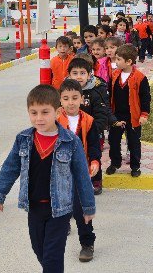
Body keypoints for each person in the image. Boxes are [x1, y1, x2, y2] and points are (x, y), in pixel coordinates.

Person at [0, 85, 96, 272]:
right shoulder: (23, 139)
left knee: (52, 258)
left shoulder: (70, 141)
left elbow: (82, 176)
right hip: (34, 208)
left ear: (57, 112)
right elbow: (10, 168)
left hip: (60, 210)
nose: (39, 118)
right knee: (39, 250)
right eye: (34, 113)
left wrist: (88, 207)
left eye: (45, 112)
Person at [57, 79, 101, 262]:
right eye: (66, 98)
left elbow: (93, 145)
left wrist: (95, 161)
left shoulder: (89, 121)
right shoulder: (55, 120)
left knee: (81, 208)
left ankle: (87, 242)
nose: (71, 102)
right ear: (60, 100)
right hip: (59, 172)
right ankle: (63, 224)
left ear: (82, 99)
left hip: (80, 172)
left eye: (75, 97)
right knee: (58, 204)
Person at [68, 55, 113, 194]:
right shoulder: (66, 90)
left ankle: (96, 180)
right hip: (72, 132)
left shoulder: (95, 90)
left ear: (89, 74)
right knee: (72, 158)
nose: (79, 77)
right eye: (75, 73)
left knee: (94, 156)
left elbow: (101, 112)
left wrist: (95, 130)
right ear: (69, 75)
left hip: (92, 132)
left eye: (82, 73)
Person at [106, 44, 151, 178]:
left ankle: (135, 166)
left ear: (129, 62)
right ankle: (115, 162)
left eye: (119, 59)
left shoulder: (140, 78)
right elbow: (109, 94)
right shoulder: (114, 75)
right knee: (113, 140)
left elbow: (145, 97)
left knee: (133, 142)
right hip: (116, 115)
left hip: (133, 116)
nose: (116, 61)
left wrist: (144, 114)